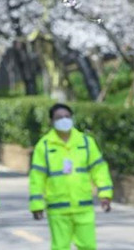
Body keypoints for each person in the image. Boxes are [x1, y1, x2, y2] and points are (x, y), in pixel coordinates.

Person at [29, 103, 113, 250]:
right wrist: (36, 204)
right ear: (51, 121)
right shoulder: (44, 146)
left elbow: (99, 169)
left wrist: (105, 193)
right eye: (59, 117)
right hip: (58, 208)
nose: (64, 120)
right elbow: (37, 178)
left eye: (67, 116)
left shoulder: (86, 142)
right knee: (60, 247)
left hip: (83, 207)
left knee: (88, 246)